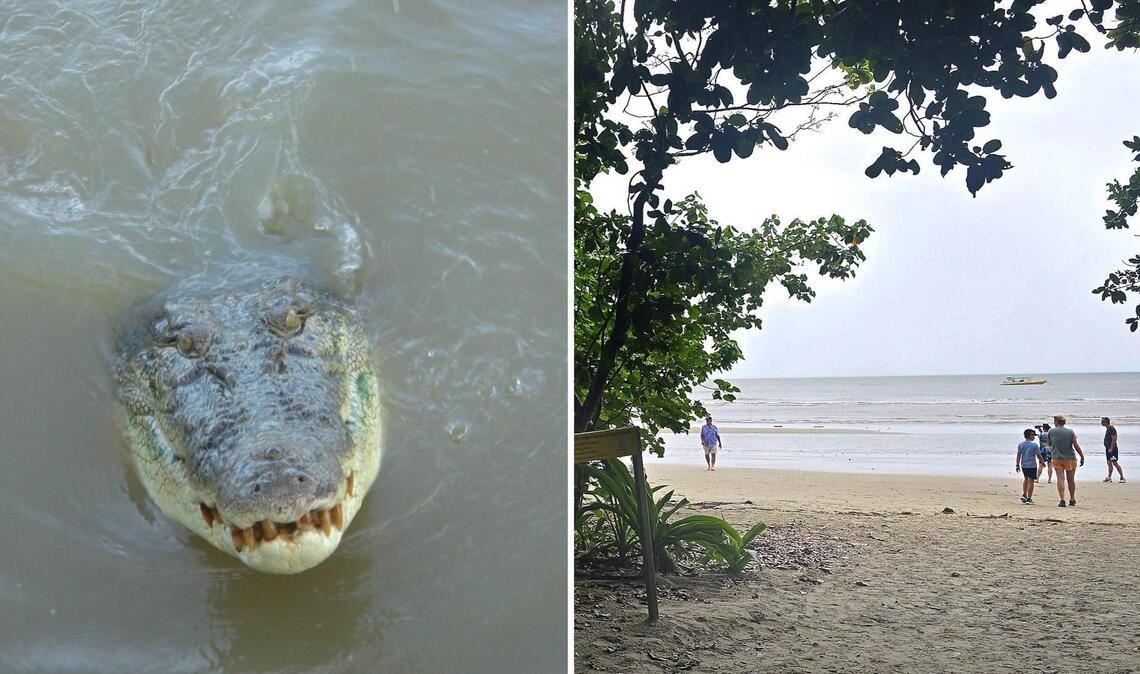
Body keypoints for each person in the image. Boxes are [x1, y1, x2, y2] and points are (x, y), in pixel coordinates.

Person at [1049, 415, 1084, 507]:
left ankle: (1062, 499)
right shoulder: (1070, 431)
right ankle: (1072, 499)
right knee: (1071, 480)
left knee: (1060, 479)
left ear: (1057, 422)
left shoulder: (1051, 431)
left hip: (1056, 457)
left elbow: (1049, 444)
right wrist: (1081, 455)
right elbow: (1076, 445)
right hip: (1070, 457)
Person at [1016, 428, 1041, 504]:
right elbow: (1038, 455)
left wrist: (1017, 464)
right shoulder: (1034, 445)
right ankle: (1029, 498)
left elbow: (1018, 455)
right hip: (1032, 465)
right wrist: (1042, 461)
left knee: (1026, 479)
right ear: (1030, 435)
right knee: (1031, 481)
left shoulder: (1021, 444)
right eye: (1033, 435)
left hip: (1024, 465)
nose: (1034, 437)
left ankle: (1024, 494)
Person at [1102, 416, 1125, 483]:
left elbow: (1114, 438)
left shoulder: (1111, 428)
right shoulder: (1108, 428)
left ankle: (1122, 477)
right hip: (1108, 449)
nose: (1101, 423)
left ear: (1106, 422)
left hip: (1112, 450)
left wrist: (1111, 448)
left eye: (1102, 421)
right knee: (1109, 463)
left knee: (1114, 463)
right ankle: (1109, 477)